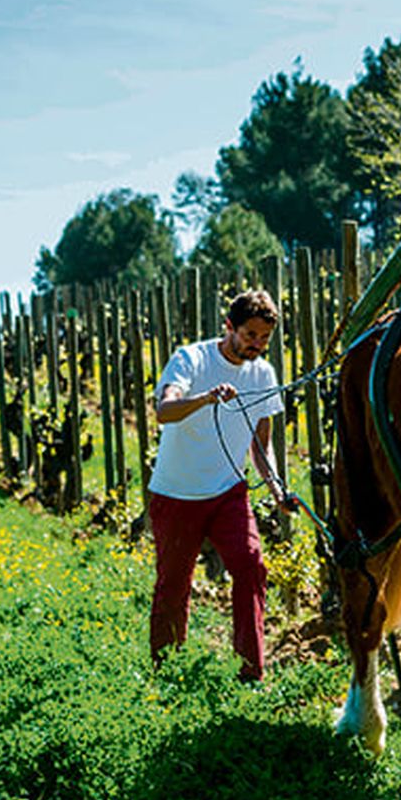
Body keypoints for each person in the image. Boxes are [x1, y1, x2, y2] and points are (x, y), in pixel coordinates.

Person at [147, 289, 291, 681]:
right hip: (176, 493)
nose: (257, 345)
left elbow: (260, 445)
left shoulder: (263, 373)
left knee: (250, 568)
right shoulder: (191, 359)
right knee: (173, 586)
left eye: (264, 338)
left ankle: (251, 673)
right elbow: (163, 411)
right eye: (250, 335)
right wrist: (205, 399)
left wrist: (276, 488)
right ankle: (167, 673)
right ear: (229, 327)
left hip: (229, 492)